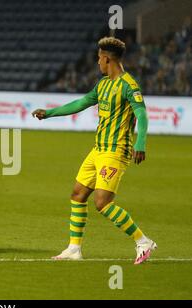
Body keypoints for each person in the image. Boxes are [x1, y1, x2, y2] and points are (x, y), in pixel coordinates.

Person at [32, 37, 156, 264]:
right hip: (98, 150)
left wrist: (141, 143)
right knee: (78, 194)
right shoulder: (103, 84)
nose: (97, 62)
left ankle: (143, 241)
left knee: (102, 202)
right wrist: (49, 113)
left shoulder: (129, 85)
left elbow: (142, 114)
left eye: (99, 58)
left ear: (107, 58)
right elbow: (80, 103)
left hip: (115, 151)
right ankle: (74, 249)